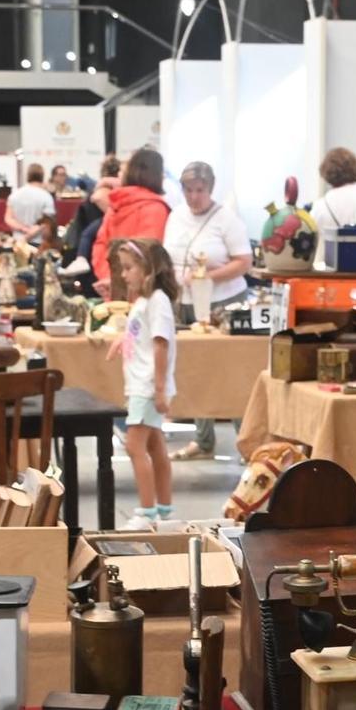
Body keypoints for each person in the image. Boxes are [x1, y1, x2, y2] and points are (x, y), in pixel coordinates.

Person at [161, 161, 250, 460]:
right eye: (188, 190)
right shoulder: (175, 216)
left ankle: (246, 442)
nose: (194, 196)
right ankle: (203, 440)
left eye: (199, 190)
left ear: (210, 190)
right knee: (197, 371)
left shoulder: (226, 219)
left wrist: (206, 277)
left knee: (230, 374)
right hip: (187, 302)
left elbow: (243, 261)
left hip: (223, 302)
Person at [110, 238, 178, 525]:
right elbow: (142, 336)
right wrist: (121, 340)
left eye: (129, 268)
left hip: (147, 386)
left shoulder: (157, 302)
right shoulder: (145, 302)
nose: (124, 275)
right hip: (143, 385)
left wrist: (159, 389)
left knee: (134, 446)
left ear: (147, 269)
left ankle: (147, 511)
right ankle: (163, 508)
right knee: (155, 446)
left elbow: (160, 344)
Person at [93, 148, 171, 298]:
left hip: (112, 290)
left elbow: (100, 245)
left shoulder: (116, 205)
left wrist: (111, 278)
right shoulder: (156, 208)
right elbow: (150, 254)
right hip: (143, 294)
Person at [5, 163, 56, 241]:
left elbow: (8, 218)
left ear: (28, 176)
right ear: (42, 176)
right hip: (39, 242)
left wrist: (23, 229)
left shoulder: (14, 195)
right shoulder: (46, 196)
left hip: (18, 241)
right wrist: (32, 232)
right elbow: (47, 222)